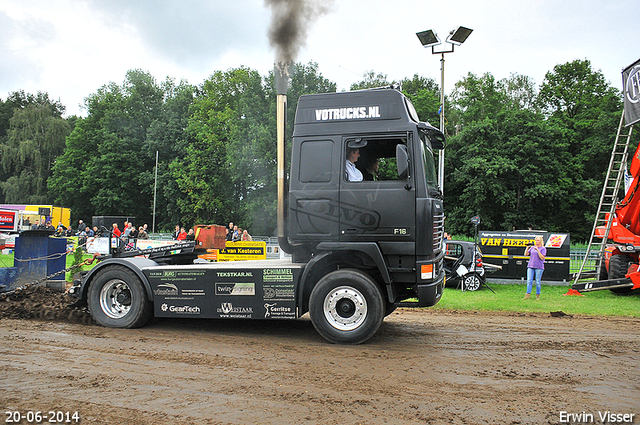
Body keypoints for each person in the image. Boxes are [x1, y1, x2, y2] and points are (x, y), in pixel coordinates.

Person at [523, 235, 546, 300]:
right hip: (531, 266)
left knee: (537, 282)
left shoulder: (543, 248)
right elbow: (526, 254)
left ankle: (537, 295)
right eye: (536, 240)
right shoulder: (533, 247)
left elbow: (542, 258)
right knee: (529, 281)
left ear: (541, 241)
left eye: (538, 240)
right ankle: (527, 294)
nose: (536, 242)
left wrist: (538, 250)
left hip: (539, 267)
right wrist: (527, 248)